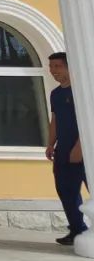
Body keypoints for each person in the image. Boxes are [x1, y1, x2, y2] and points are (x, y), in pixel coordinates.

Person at [46, 52, 88, 246]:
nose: (53, 71)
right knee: (66, 191)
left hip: (84, 150)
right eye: (51, 67)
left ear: (69, 67)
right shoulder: (56, 94)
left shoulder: (81, 91)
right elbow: (55, 120)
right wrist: (50, 143)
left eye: (58, 66)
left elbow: (88, 120)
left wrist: (80, 146)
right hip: (63, 150)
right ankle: (77, 230)